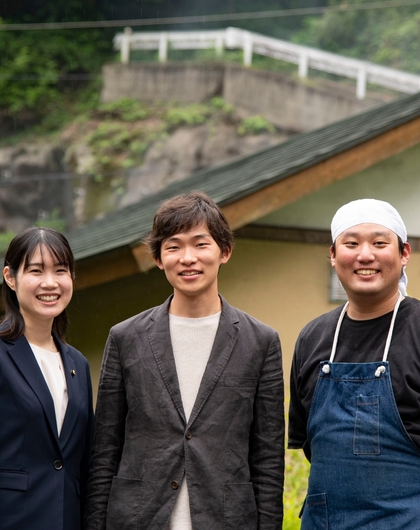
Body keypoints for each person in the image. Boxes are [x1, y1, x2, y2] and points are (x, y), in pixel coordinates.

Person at [288, 199, 420, 530]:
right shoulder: (313, 338)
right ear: (332, 254)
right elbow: (313, 442)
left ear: (404, 254)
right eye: (351, 243)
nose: (365, 255)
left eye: (380, 243)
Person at [85, 191, 285, 530]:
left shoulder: (260, 341)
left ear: (225, 251)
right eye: (174, 247)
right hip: (137, 519)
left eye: (200, 244)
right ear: (159, 259)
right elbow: (105, 450)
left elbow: (267, 458)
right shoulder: (125, 338)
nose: (187, 258)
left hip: (227, 519)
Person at [0, 227, 94, 530]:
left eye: (60, 270)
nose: (50, 283)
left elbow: (83, 465)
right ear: (10, 277)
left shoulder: (77, 364)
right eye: (36, 271)